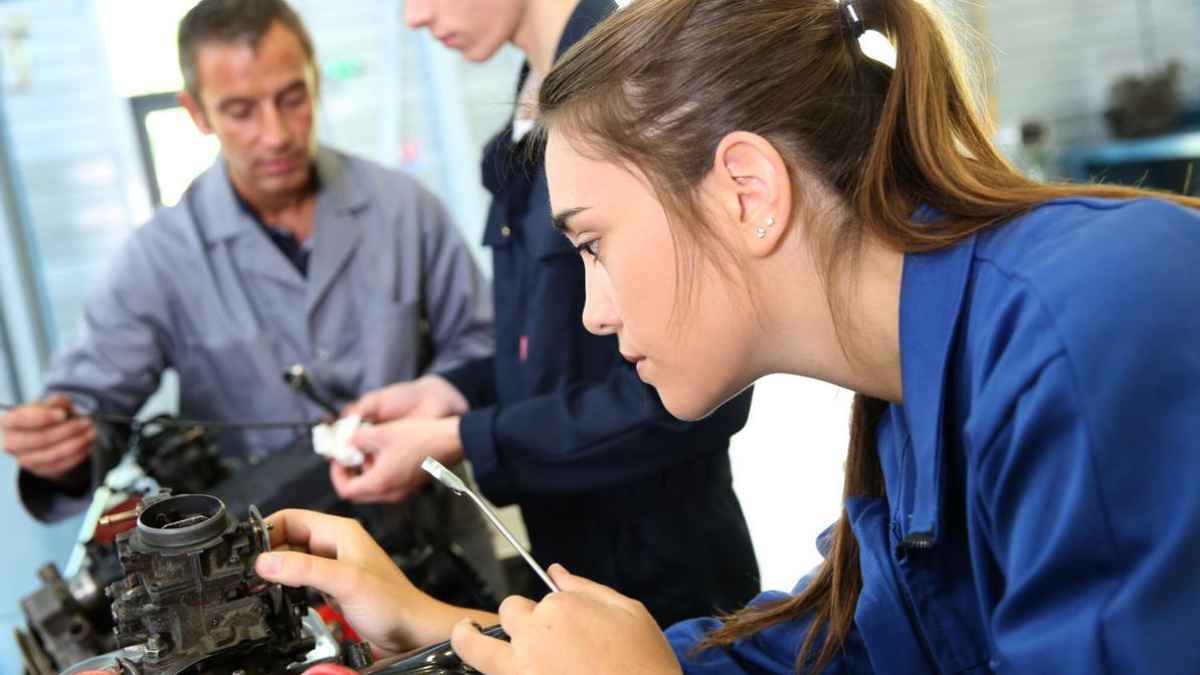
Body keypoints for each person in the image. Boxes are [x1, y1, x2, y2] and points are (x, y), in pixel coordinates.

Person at [255, 0, 1200, 672]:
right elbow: (838, 648)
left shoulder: (1094, 319)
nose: (593, 309)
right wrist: (438, 632)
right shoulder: (907, 409)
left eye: (593, 243)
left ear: (747, 191)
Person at [1, 0, 501, 595]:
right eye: (240, 110)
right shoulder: (159, 257)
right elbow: (90, 406)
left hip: (437, 552)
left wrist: (426, 416)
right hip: (270, 583)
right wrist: (58, 449)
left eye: (292, 97)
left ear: (315, 79)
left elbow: (482, 346)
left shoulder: (404, 209)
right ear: (196, 112)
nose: (277, 133)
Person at [326, 0, 760, 627]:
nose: (414, 17)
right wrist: (447, 392)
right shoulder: (528, 125)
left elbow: (681, 400)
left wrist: (460, 439)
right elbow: (544, 346)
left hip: (669, 582)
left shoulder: (634, 91)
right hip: (571, 566)